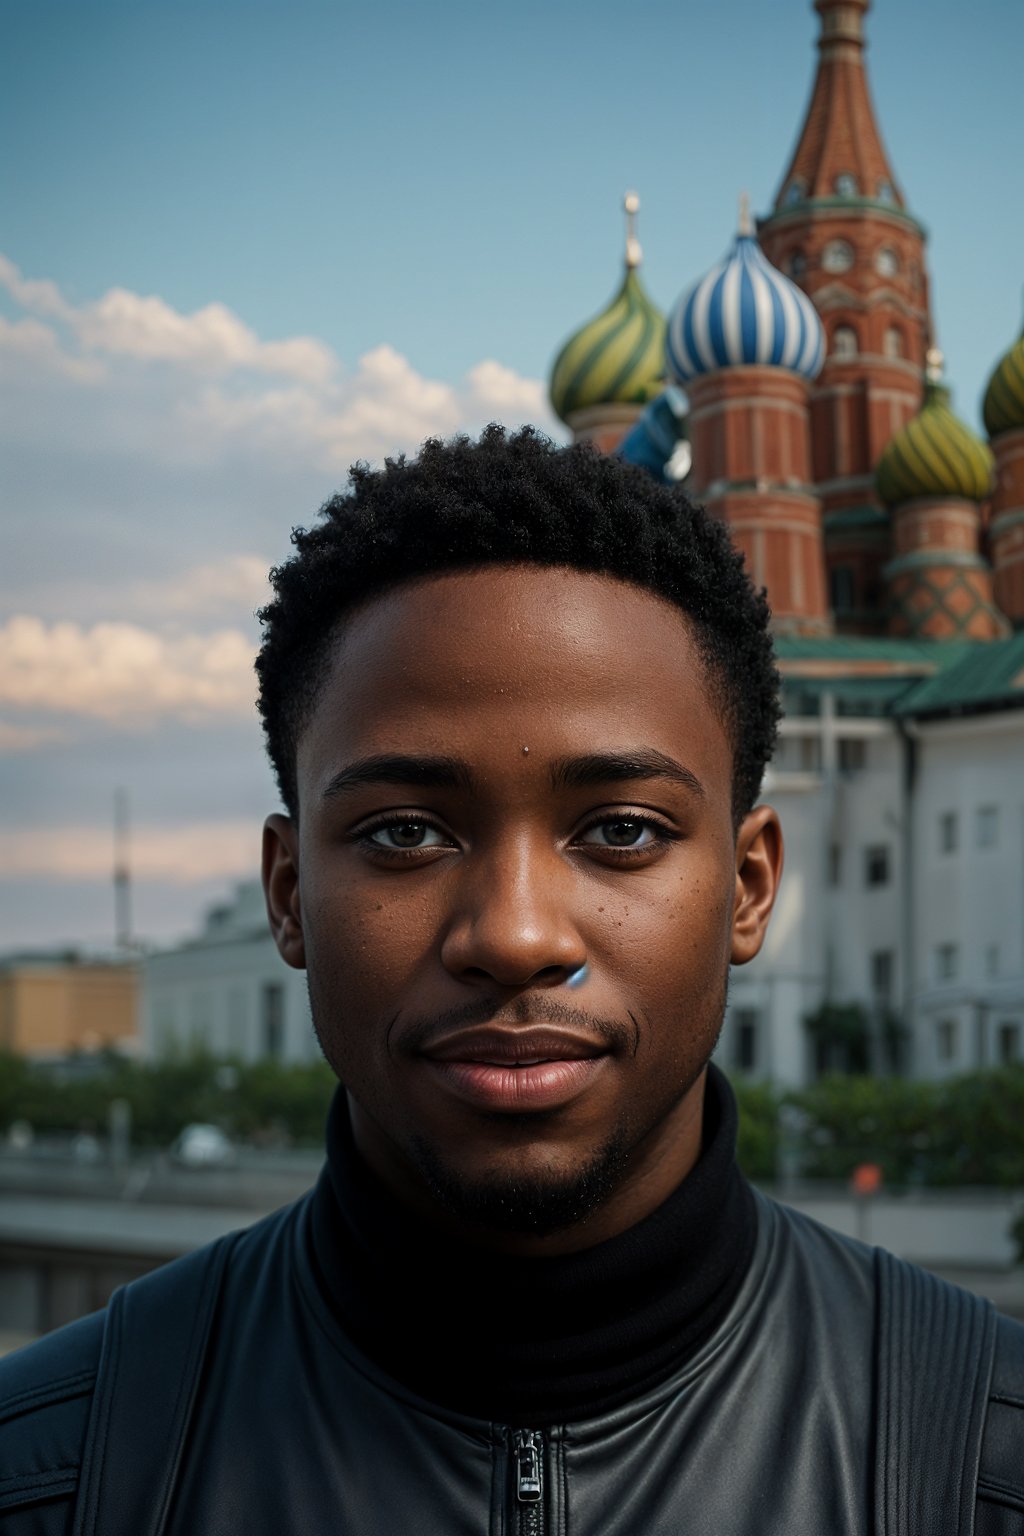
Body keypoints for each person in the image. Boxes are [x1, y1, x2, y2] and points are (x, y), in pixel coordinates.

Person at [1, 426, 1021, 1533]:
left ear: (746, 887)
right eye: (404, 833)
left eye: (621, 830)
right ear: (289, 896)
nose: (518, 934)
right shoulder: (58, 1476)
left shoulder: (984, 1464)